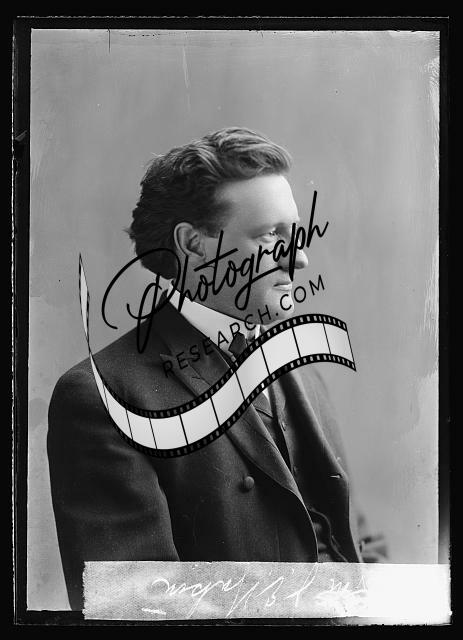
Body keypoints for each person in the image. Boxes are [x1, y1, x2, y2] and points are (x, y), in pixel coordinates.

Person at [48, 127, 386, 611]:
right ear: (193, 244)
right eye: (270, 235)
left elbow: (353, 543)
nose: (301, 257)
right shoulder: (104, 395)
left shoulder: (302, 368)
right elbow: (135, 606)